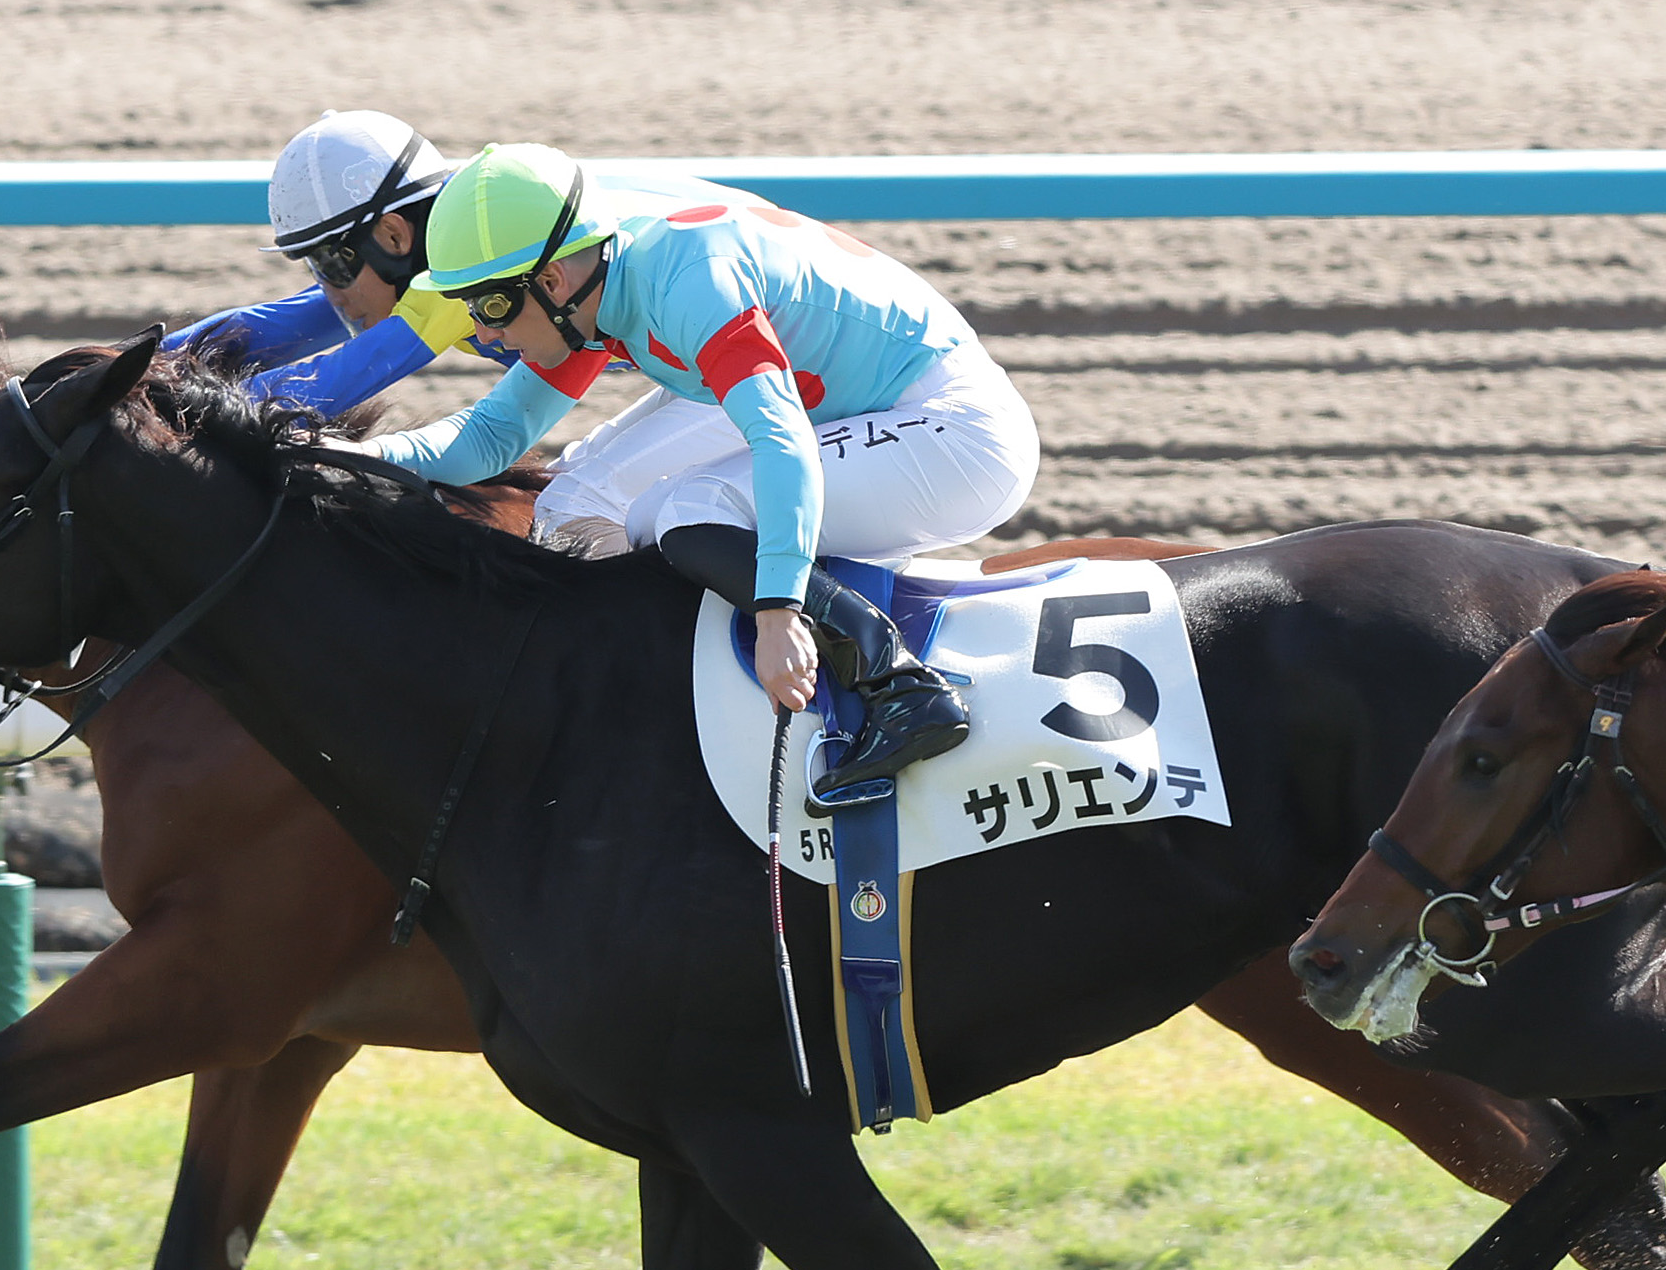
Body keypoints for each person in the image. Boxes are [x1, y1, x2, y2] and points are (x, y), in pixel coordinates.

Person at [371, 143, 1036, 811]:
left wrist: (776, 611)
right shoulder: (602, 290)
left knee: (685, 508)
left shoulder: (686, 286)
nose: (484, 337)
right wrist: (349, 457)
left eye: (487, 308)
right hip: (889, 410)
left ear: (548, 283)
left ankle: (897, 682)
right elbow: (490, 437)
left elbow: (780, 440)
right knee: (592, 510)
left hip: (958, 435)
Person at [165, 111, 745, 557]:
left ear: (393, 236)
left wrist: (175, 414)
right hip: (715, 355)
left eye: (332, 264)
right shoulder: (460, 243)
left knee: (580, 505)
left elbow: (335, 382)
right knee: (564, 494)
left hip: (773, 354)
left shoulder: (464, 273)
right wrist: (131, 364)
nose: (327, 289)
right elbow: (280, 322)